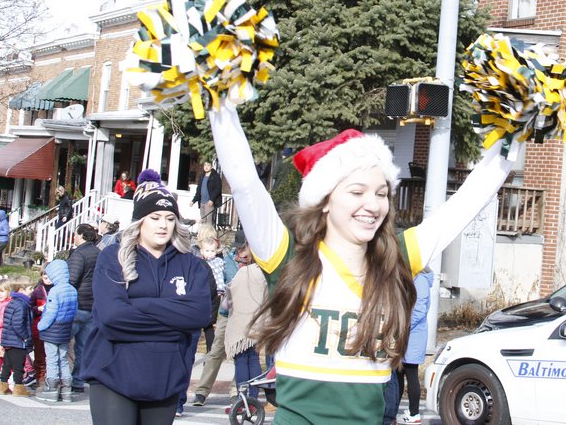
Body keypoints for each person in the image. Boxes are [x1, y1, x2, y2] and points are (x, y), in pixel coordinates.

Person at [207, 103, 514, 424]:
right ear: (324, 200)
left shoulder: (395, 257)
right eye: (357, 192)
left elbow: (462, 208)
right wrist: (219, 102)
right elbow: (245, 184)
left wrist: (512, 134)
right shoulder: (287, 254)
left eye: (382, 193)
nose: (372, 204)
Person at [80, 171, 212, 425]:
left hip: (166, 377)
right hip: (113, 374)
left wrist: (139, 304)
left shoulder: (191, 265)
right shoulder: (113, 257)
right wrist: (174, 324)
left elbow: (198, 315)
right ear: (140, 220)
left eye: (170, 218)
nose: (163, 225)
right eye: (155, 218)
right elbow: (112, 317)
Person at [192, 234, 248, 407]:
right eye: (237, 247)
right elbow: (220, 280)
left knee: (241, 352)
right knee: (216, 350)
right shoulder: (228, 260)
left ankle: (234, 390)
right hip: (227, 310)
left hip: (247, 311)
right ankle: (201, 391)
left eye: (243, 247)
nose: (239, 251)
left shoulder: (256, 263)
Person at [224, 247, 267, 412]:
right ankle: (253, 400)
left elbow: (230, 295)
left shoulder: (243, 273)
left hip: (241, 322)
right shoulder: (264, 273)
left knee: (241, 360)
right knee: (254, 360)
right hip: (258, 321)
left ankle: (242, 400)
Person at [37, 259, 79, 402]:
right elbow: (74, 311)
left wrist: (41, 325)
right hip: (66, 328)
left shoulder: (55, 291)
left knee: (52, 359)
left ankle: (52, 388)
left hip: (52, 329)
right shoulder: (72, 289)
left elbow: (50, 313)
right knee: (63, 358)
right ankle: (67, 388)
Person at [398, 267, 434, 424]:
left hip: (412, 335)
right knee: (399, 373)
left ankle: (414, 414)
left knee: (410, 373)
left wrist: (401, 327)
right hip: (409, 335)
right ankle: (403, 411)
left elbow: (418, 310)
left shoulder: (420, 280)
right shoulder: (418, 278)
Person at [67, 222, 100, 394]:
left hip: (78, 304)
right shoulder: (99, 253)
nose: (73, 237)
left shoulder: (79, 254)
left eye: (75, 234)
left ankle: (61, 378)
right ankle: (78, 381)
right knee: (83, 346)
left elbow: (72, 279)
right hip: (93, 305)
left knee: (62, 342)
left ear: (80, 235)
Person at [0, 275, 34, 397]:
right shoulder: (22, 304)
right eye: (30, 288)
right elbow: (17, 323)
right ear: (21, 289)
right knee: (19, 365)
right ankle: (19, 387)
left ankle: (3, 385)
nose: (32, 291)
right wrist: (25, 336)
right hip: (18, 340)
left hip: (8, 339)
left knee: (7, 364)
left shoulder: (13, 302)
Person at [29, 268, 53, 386]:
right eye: (45, 277)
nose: (47, 280)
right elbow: (30, 307)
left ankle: (50, 379)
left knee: (52, 355)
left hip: (53, 327)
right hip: (38, 326)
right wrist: (38, 309)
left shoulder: (57, 289)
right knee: (39, 353)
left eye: (49, 277)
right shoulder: (38, 290)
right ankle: (40, 379)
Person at [192, 161, 223, 228]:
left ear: (211, 166)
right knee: (203, 222)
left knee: (209, 223)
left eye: (208, 165)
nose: (206, 167)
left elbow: (218, 189)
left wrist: (212, 199)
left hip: (209, 203)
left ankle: (210, 237)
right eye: (205, 165)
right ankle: (204, 237)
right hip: (202, 202)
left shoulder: (215, 176)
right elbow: (198, 190)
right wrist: (193, 200)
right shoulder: (202, 176)